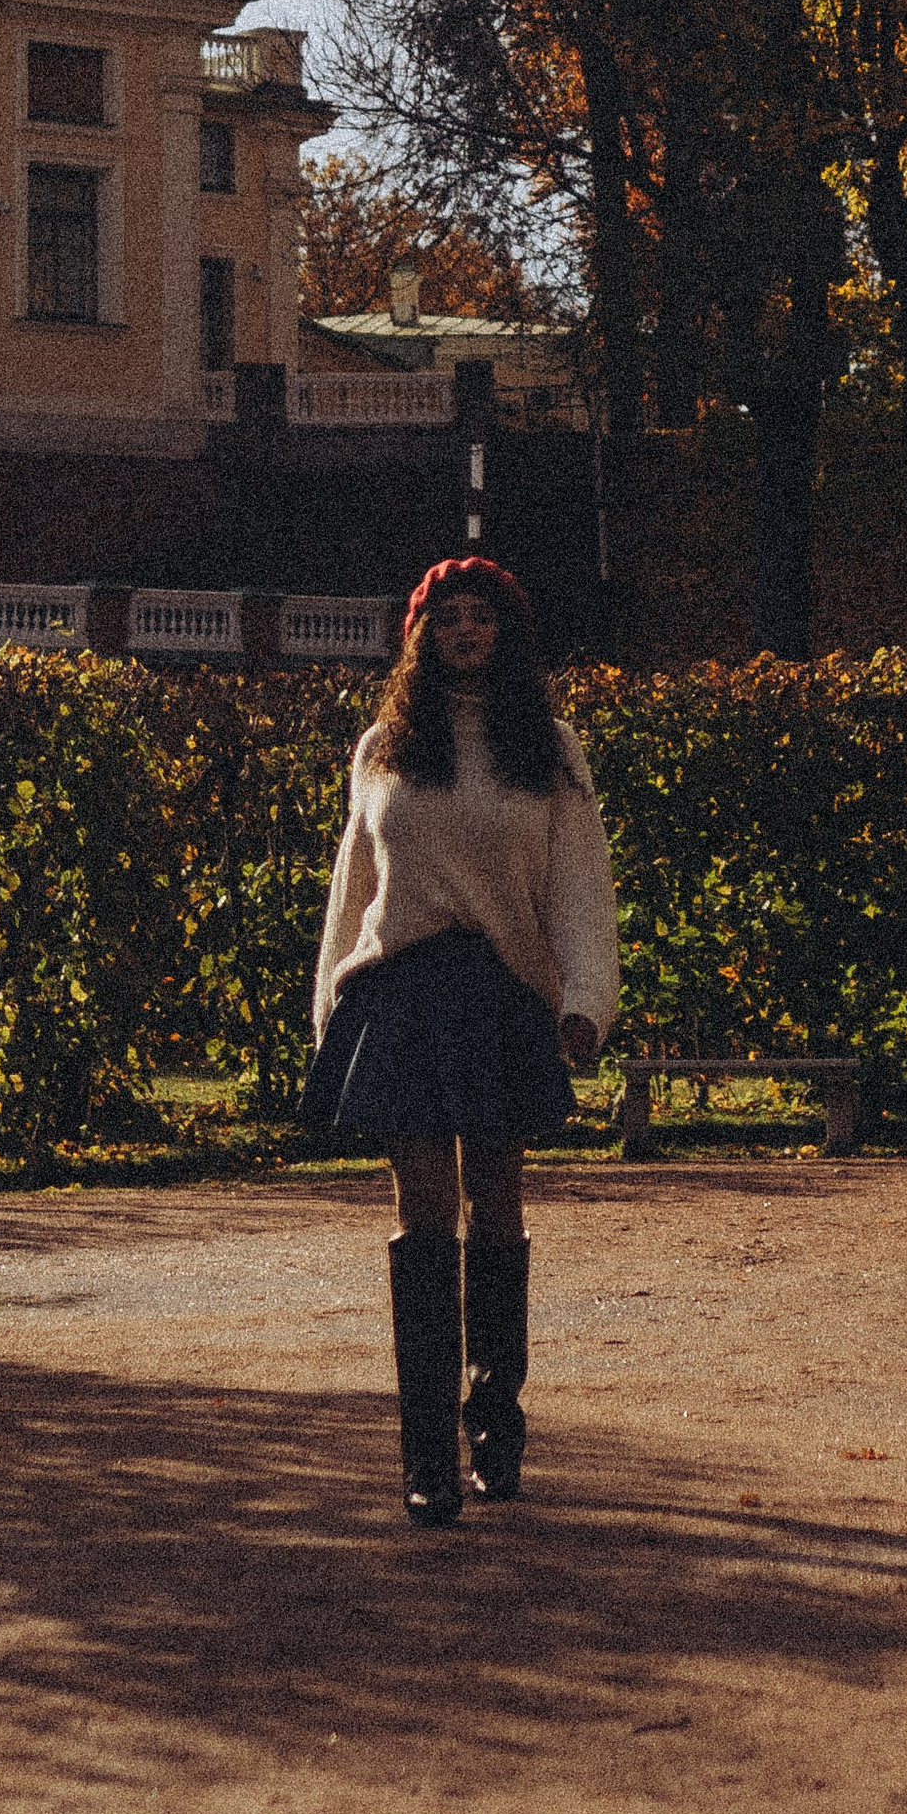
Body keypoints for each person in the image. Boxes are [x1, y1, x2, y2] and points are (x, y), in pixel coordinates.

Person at [304, 555, 619, 1523]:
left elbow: (576, 884)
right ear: (420, 635)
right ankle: (425, 1453)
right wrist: (329, 1010)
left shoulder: (548, 750)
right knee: (422, 1212)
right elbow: (353, 889)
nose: (466, 633)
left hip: (499, 994)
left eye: (482, 617)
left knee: (496, 1203)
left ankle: (495, 1422)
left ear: (508, 635)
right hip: (401, 993)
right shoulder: (384, 748)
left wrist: (584, 1000)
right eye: (448, 619)